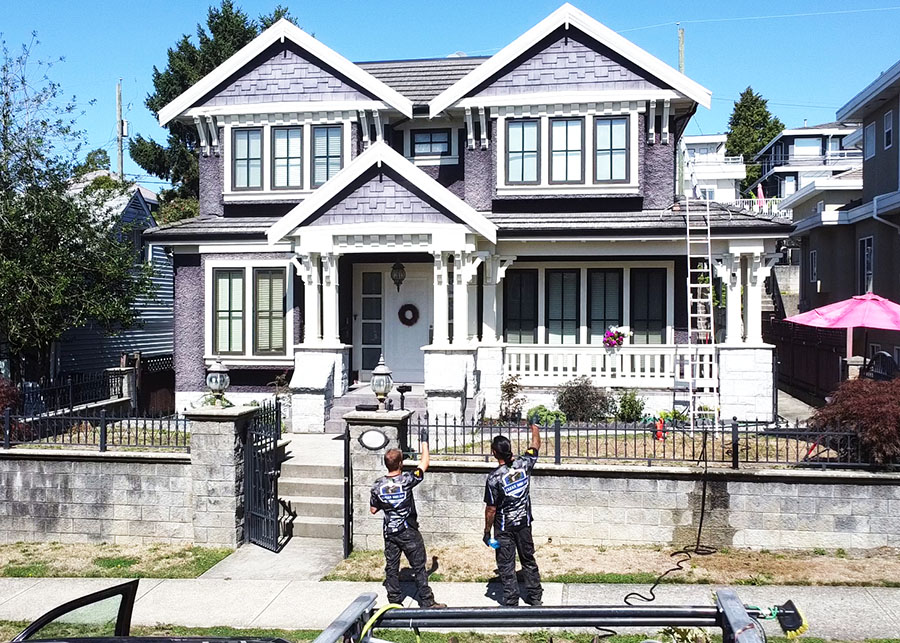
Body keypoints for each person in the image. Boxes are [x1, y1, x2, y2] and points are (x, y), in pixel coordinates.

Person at [370, 429, 445, 608]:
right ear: (401, 463)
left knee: (391, 566)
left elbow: (373, 509)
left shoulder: (377, 485)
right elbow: (424, 463)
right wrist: (424, 442)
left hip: (390, 532)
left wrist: (388, 504)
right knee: (419, 566)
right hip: (408, 531)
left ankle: (394, 601)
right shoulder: (407, 480)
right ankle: (426, 600)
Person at [483, 419, 543, 607]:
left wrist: (487, 531)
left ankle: (511, 601)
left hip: (505, 528)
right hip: (524, 524)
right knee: (528, 560)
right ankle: (535, 597)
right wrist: (535, 427)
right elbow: (536, 445)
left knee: (506, 565)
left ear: (494, 453)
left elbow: (491, 509)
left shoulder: (494, 478)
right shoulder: (524, 463)